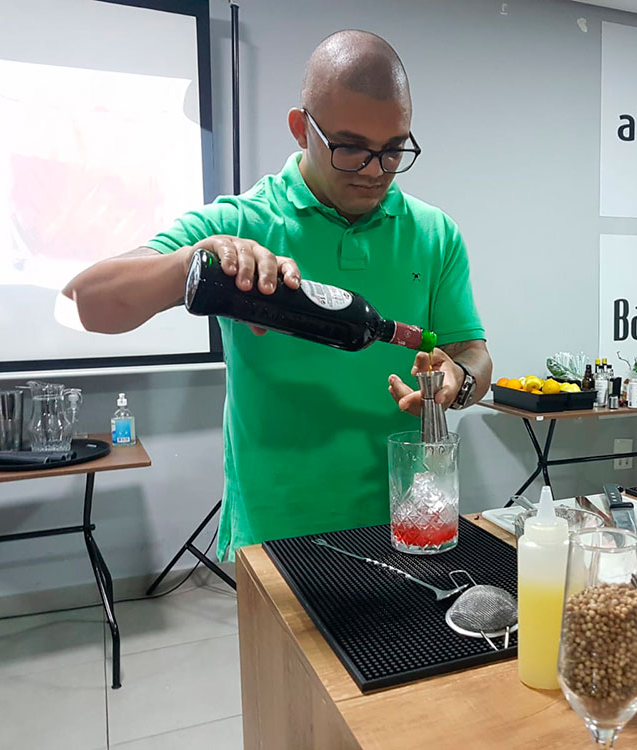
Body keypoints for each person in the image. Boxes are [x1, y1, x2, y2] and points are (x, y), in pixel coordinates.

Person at [63, 30, 492, 558]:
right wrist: (191, 261)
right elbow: (82, 303)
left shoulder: (435, 234)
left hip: (408, 524)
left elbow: (473, 355)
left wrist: (460, 381)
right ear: (300, 128)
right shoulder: (239, 222)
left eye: (393, 150)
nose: (375, 171)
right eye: (351, 148)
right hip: (275, 536)